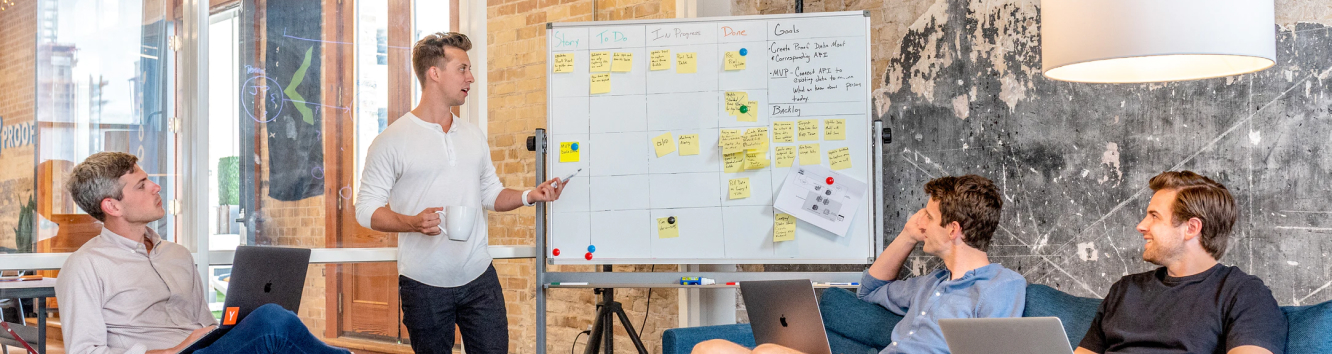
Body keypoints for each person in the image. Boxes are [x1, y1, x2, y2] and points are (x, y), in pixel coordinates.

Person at [354, 32, 564, 354]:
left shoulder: (473, 136)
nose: (471, 77)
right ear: (434, 73)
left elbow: (490, 193)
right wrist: (412, 223)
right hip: (423, 286)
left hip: (479, 277)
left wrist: (529, 195)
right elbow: (366, 209)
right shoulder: (391, 140)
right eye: (463, 69)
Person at [694, 175, 1027, 354]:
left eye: (928, 215)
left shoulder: (1000, 286)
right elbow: (871, 289)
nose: (920, 221)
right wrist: (909, 235)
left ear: (953, 230)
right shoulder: (930, 284)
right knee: (709, 349)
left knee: (768, 353)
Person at [56, 151, 350, 354]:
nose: (156, 187)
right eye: (142, 185)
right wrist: (170, 351)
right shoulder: (85, 267)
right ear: (113, 206)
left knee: (271, 322)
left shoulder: (177, 255)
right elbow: (84, 350)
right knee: (272, 322)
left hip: (205, 348)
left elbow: (204, 323)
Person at [1076, 171, 1287, 354]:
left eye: (1154, 216)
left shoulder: (1243, 293)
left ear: (1191, 228)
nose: (1141, 226)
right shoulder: (1124, 290)